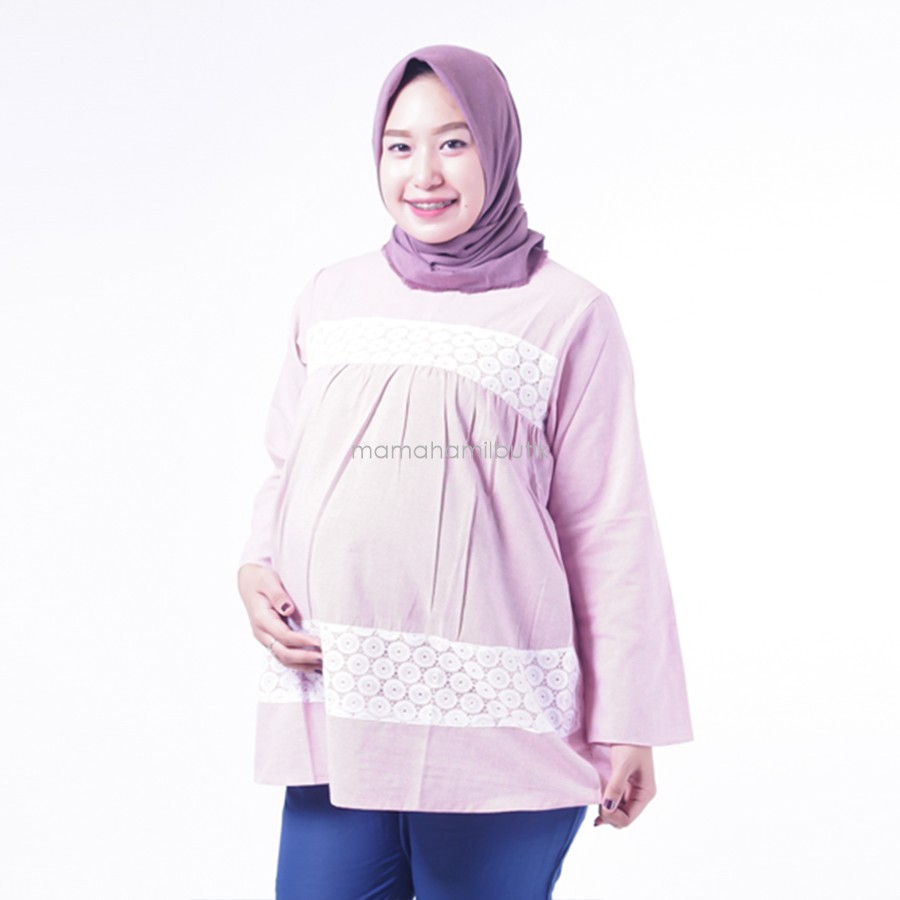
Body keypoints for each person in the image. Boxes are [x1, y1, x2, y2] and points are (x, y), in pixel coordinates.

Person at [237, 44, 694, 900]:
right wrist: (255, 566)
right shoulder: (330, 296)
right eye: (399, 146)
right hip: (340, 698)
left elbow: (608, 525)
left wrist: (629, 720)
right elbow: (286, 462)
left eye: (454, 142)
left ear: (499, 145)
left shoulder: (567, 312)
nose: (424, 174)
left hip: (498, 722)